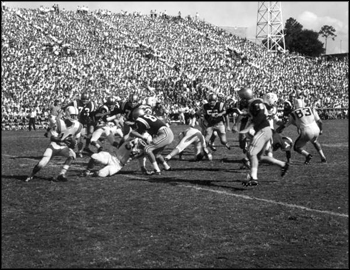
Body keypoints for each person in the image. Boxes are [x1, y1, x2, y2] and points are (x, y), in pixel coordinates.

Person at [240, 98, 290, 187]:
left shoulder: (257, 104)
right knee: (258, 157)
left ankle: (254, 178)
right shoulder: (256, 106)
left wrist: (245, 130)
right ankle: (283, 164)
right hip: (265, 131)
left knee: (251, 153)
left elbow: (257, 118)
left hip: (263, 131)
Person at [25, 106, 83, 182]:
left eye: (75, 115)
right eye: (73, 115)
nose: (74, 117)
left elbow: (74, 140)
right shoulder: (62, 123)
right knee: (42, 163)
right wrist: (63, 140)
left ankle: (61, 174)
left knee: (72, 156)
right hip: (55, 146)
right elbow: (53, 138)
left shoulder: (73, 124)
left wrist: (72, 144)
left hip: (61, 147)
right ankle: (31, 175)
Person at [276, 98, 327, 164]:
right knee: (314, 141)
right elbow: (320, 122)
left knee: (296, 147)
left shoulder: (293, 113)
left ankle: (307, 155)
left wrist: (279, 130)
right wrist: (321, 130)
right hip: (316, 129)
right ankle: (323, 157)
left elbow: (284, 125)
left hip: (306, 131)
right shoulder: (311, 108)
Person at [130, 107, 173, 175]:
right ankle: (167, 167)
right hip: (167, 132)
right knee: (156, 153)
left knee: (147, 149)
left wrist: (141, 136)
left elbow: (133, 133)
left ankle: (157, 170)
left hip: (164, 134)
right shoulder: (146, 117)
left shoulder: (139, 120)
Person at [81, 137, 147, 177]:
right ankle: (87, 170)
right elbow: (130, 134)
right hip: (112, 155)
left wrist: (143, 167)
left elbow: (141, 159)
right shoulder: (129, 139)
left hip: (118, 165)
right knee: (95, 157)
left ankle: (90, 174)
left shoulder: (141, 152)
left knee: (100, 174)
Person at [63, 92, 96, 157]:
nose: (84, 101)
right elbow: (66, 108)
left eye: (86, 100)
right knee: (76, 137)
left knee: (85, 136)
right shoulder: (75, 103)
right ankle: (74, 150)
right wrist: (69, 117)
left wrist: (92, 120)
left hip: (85, 123)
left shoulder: (91, 104)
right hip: (76, 122)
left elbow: (92, 114)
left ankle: (83, 149)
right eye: (83, 99)